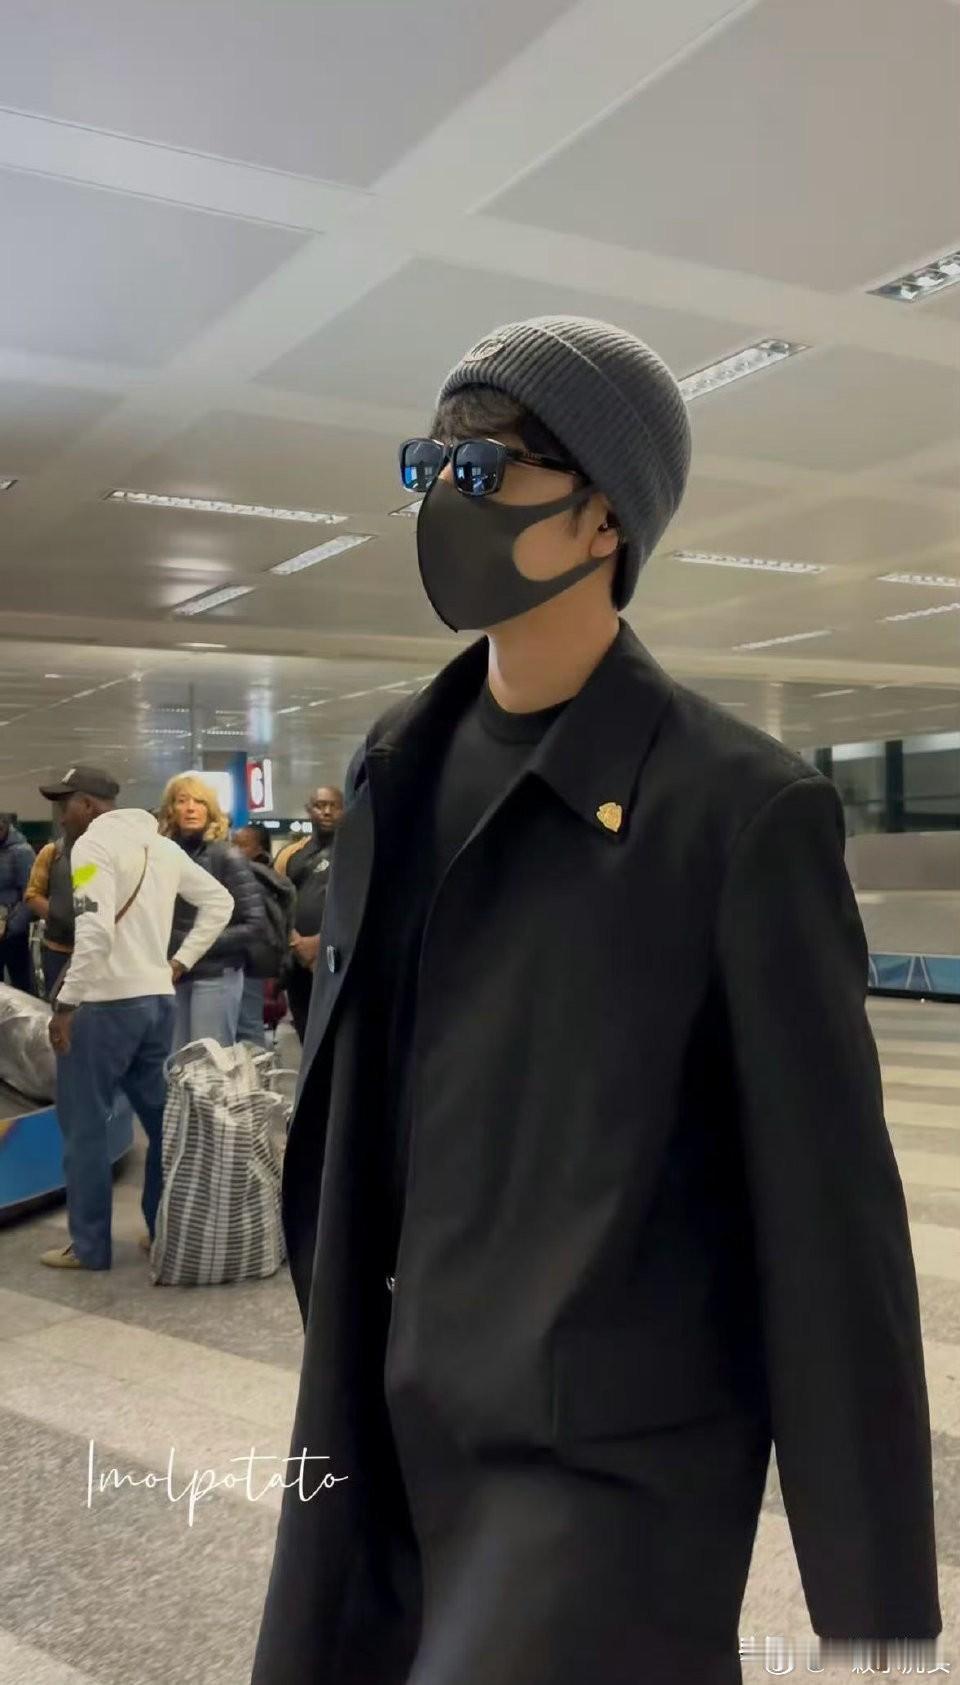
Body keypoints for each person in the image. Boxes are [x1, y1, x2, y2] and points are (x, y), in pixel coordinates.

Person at [252, 318, 940, 1685]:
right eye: (430, 465)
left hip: (604, 1452)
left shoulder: (738, 811)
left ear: (605, 515)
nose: (444, 499)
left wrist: (873, 1585)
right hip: (382, 1395)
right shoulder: (396, 764)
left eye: (484, 468)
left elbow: (827, 1206)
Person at [38, 765, 233, 1270]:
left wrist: (66, 1005)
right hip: (155, 1003)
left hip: (102, 1008)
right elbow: (220, 902)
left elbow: (95, 932)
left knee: (84, 1128)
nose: (60, 816)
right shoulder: (161, 847)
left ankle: (90, 1248)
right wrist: (178, 963)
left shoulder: (90, 848)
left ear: (88, 806)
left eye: (64, 804)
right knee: (161, 1121)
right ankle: (162, 1231)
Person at [158, 774, 265, 1051]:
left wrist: (193, 947)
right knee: (174, 1060)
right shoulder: (163, 856)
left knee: (209, 1060)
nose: (191, 808)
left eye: (200, 802)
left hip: (215, 973)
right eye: (182, 801)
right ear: (171, 809)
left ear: (211, 810)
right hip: (172, 973)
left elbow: (254, 923)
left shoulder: (227, 856)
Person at [274, 786, 344, 1042]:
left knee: (337, 1031)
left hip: (339, 956)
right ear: (308, 810)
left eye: (333, 806)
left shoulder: (356, 851)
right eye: (320, 805)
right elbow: (275, 900)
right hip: (298, 961)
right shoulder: (290, 854)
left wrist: (320, 942)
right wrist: (296, 943)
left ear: (344, 809)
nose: (326, 811)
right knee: (306, 1030)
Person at [233, 824, 295, 1047]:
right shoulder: (270, 877)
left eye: (241, 845)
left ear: (259, 849)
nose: (234, 850)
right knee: (249, 1023)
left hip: (249, 959)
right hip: (259, 960)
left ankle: (254, 1068)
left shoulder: (251, 878)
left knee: (247, 1025)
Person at [24, 826, 75, 999]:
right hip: (58, 950)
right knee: (56, 1004)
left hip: (95, 950)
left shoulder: (100, 855)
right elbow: (32, 895)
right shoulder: (52, 852)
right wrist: (60, 915)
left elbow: (81, 884)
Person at [0, 811, 35, 993]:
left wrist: (11, 928)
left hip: (13, 931)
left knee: (21, 985)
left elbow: (30, 893)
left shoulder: (22, 852)